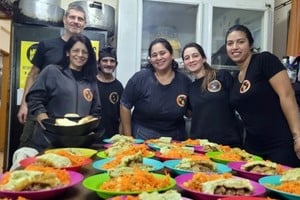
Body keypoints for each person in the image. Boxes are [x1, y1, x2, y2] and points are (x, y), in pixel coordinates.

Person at [225, 24, 300, 167]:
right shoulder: (236, 78)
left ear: (251, 44)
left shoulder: (264, 60)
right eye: (230, 43)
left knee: (283, 185)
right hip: (253, 148)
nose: (234, 47)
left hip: (280, 144)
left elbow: (287, 95)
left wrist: (298, 136)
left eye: (240, 42)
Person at [17, 4, 87, 147]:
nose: (76, 21)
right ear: (64, 19)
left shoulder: (85, 51)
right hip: (41, 109)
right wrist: (24, 104)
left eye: (80, 19)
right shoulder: (46, 45)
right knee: (30, 150)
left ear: (84, 24)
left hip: (66, 115)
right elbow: (33, 75)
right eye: (72, 17)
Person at [26, 34, 102, 152]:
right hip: (49, 142)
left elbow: (96, 110)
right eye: (76, 50)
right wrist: (48, 124)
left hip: (78, 145)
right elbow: (34, 99)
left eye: (84, 52)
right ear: (67, 52)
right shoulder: (52, 71)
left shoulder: (90, 81)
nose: (80, 55)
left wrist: (88, 129)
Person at [120, 38, 191, 141]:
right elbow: (124, 105)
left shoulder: (185, 81)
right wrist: (128, 137)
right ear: (150, 59)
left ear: (172, 55)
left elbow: (189, 112)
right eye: (154, 55)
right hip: (143, 136)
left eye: (162, 53)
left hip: (175, 139)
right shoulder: (140, 78)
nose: (159, 58)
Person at [182, 42, 242, 147]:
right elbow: (189, 113)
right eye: (187, 58)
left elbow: (239, 101)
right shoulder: (190, 88)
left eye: (195, 56)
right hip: (200, 146)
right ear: (184, 64)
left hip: (227, 144)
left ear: (204, 59)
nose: (191, 60)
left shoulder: (222, 76)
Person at [96, 46, 124, 139]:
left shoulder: (119, 87)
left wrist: (119, 138)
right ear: (98, 64)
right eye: (105, 60)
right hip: (92, 137)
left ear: (116, 64)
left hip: (112, 139)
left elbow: (122, 117)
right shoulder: (91, 85)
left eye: (112, 61)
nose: (109, 64)